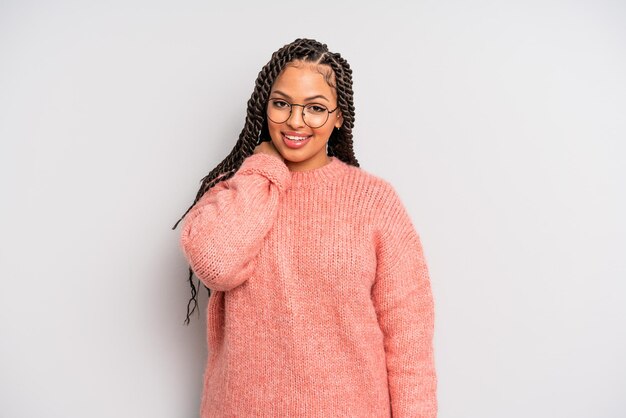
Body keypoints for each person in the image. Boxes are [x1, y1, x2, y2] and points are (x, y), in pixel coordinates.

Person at [173, 38, 437, 417]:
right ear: (264, 108)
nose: (296, 121)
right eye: (282, 104)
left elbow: (408, 339)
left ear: (338, 115)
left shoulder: (373, 201)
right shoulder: (234, 192)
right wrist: (262, 171)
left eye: (315, 108)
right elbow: (217, 266)